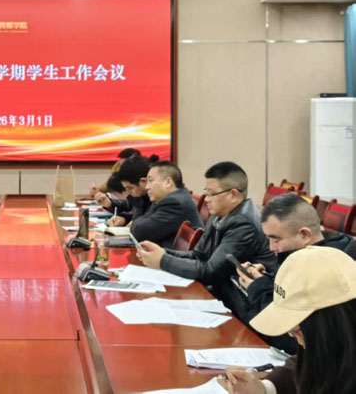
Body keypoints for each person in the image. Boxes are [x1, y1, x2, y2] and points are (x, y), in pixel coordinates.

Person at [137, 161, 276, 319]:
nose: (206, 199)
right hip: (223, 297)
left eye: (212, 194)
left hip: (244, 309)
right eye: (206, 192)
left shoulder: (243, 224)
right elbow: (199, 255)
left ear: (233, 195)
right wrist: (162, 253)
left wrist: (162, 261)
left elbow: (211, 271)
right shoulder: (218, 215)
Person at [219, 246, 356, 394]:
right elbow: (310, 361)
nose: (299, 341)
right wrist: (265, 388)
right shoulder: (335, 344)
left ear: (337, 321)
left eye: (298, 330)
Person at [235, 193, 356, 352]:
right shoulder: (303, 254)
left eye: (276, 239)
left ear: (304, 235)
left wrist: (257, 287)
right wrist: (266, 278)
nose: (271, 247)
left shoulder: (329, 275)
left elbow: (289, 333)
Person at [129, 161, 203, 248]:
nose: (147, 187)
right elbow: (143, 221)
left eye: (151, 181)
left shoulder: (174, 203)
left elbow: (140, 233)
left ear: (168, 182)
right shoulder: (172, 198)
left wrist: (134, 223)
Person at [97, 154, 158, 226]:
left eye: (130, 188)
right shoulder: (140, 196)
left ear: (143, 181)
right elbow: (130, 207)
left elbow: (148, 221)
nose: (128, 191)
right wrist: (123, 218)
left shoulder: (157, 199)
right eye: (126, 188)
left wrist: (135, 223)